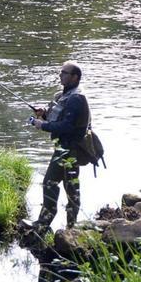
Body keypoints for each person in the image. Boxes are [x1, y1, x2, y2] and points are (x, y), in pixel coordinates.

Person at [29, 61, 91, 229]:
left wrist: (42, 125)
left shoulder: (76, 98)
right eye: (61, 72)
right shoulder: (65, 95)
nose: (60, 75)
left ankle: (44, 222)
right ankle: (72, 226)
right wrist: (45, 115)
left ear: (74, 77)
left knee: (50, 183)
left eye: (64, 73)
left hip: (69, 150)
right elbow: (59, 119)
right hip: (66, 148)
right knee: (71, 186)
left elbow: (67, 127)